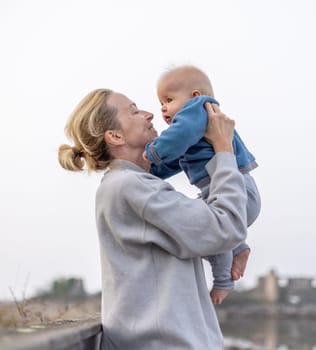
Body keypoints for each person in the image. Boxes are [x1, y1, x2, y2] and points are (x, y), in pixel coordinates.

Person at [58, 88, 248, 350]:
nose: (149, 115)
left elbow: (206, 233)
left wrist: (232, 245)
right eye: (134, 111)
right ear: (114, 136)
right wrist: (224, 150)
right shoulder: (131, 187)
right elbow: (224, 228)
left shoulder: (128, 185)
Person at [144, 65, 261, 304]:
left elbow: (177, 137)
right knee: (196, 224)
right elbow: (174, 160)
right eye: (161, 103)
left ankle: (223, 281)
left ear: (194, 96)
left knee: (202, 233)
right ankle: (237, 247)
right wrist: (151, 170)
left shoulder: (197, 110)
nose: (163, 108)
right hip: (234, 191)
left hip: (237, 191)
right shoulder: (196, 131)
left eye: (168, 100)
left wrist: (153, 152)